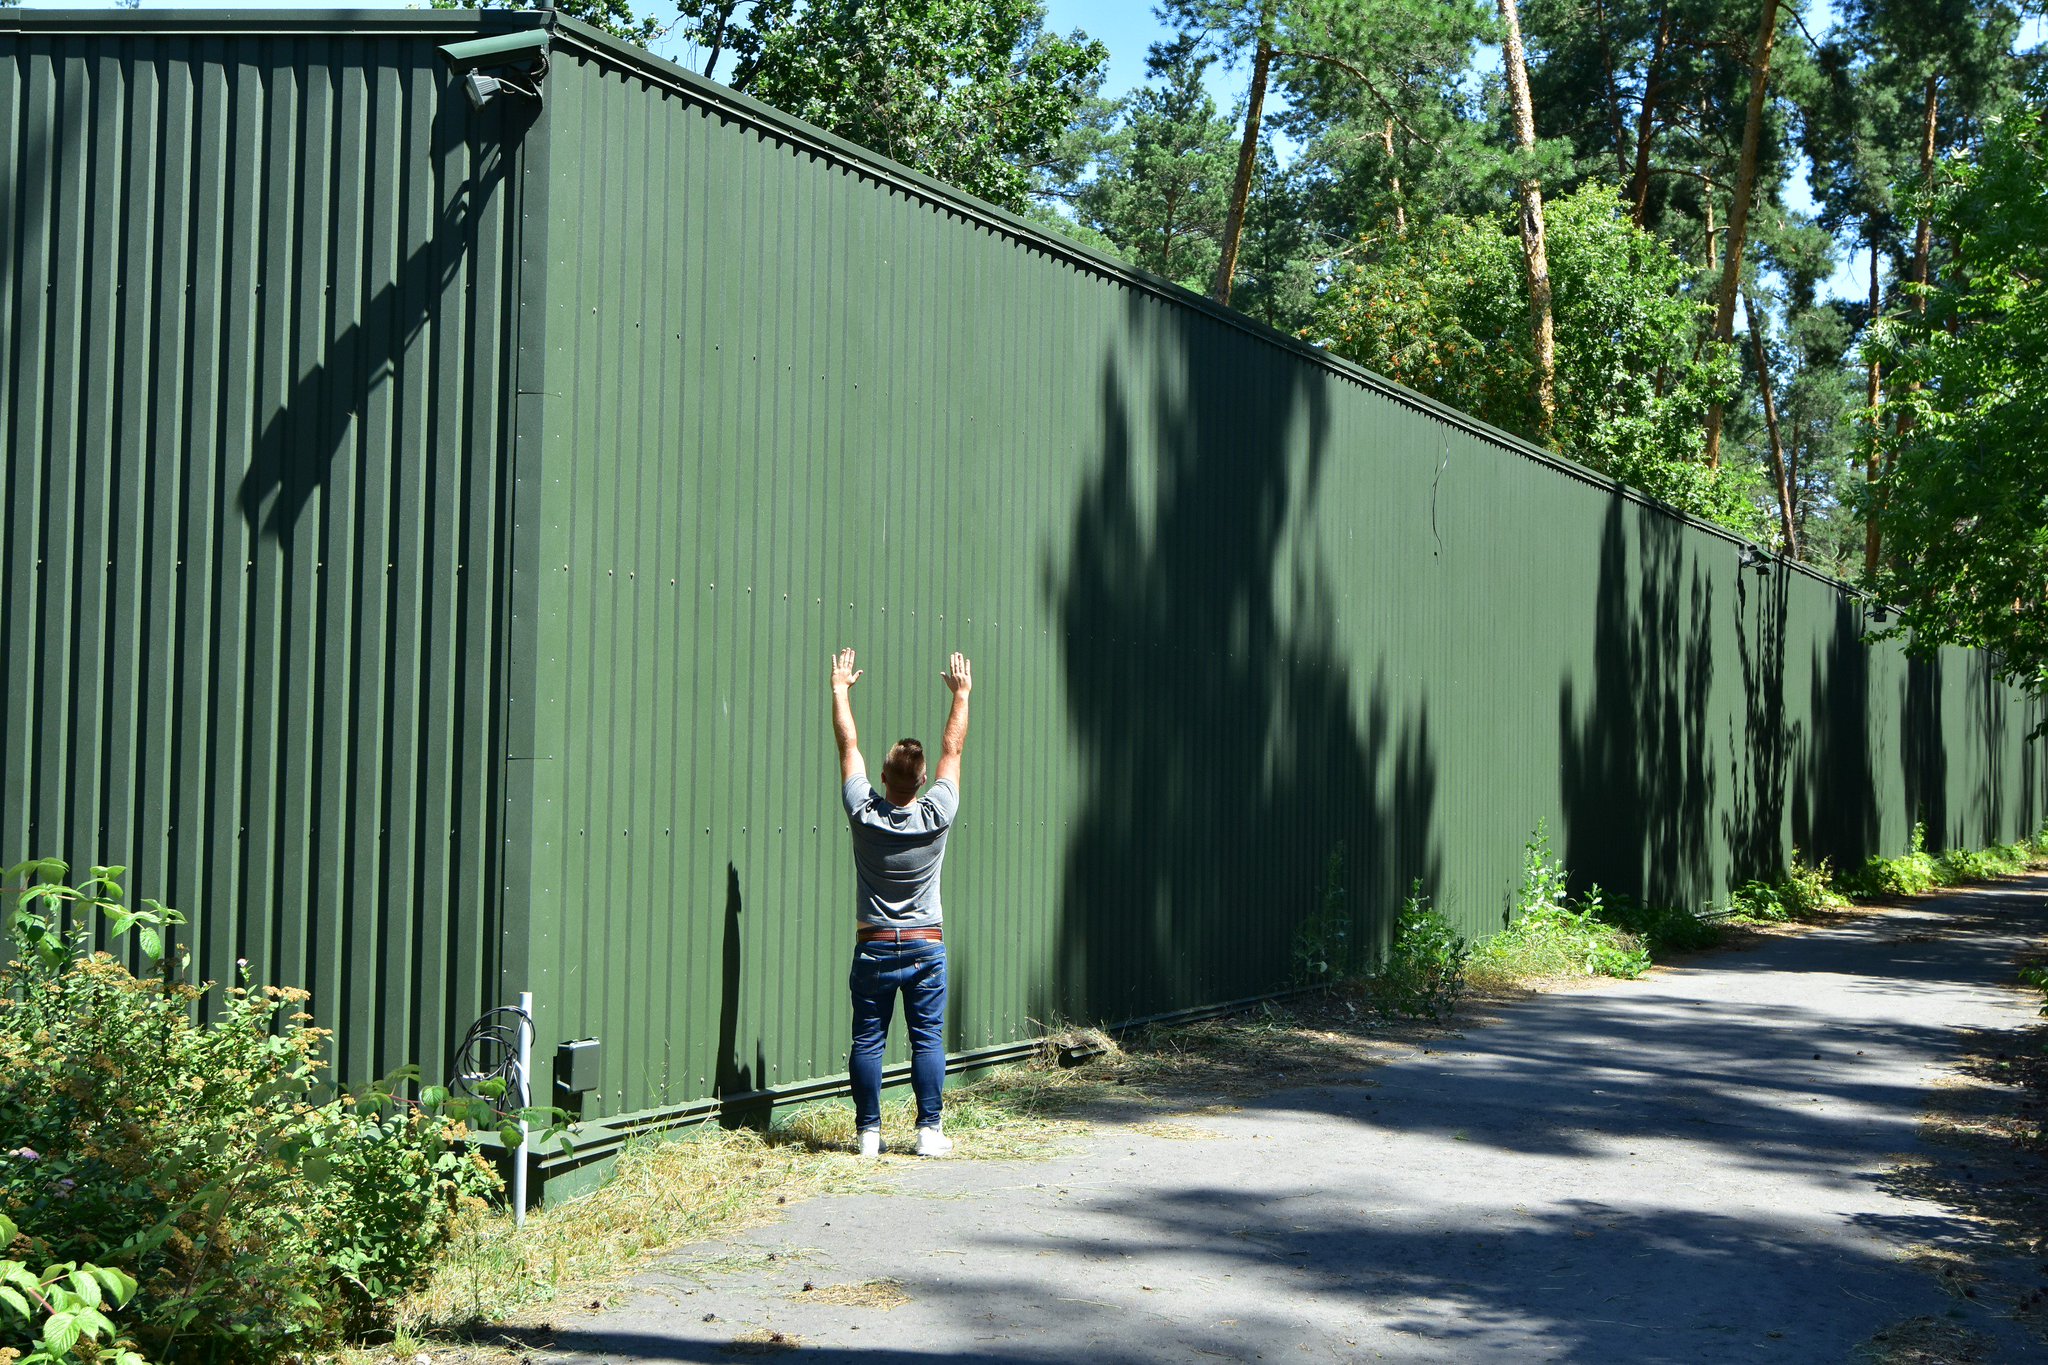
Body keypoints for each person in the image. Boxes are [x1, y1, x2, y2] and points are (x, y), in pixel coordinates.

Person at [830, 646, 972, 1157]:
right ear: (920, 781)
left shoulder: (862, 812)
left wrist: (841, 689)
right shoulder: (938, 814)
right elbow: (952, 752)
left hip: (873, 947)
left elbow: (848, 744)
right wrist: (961, 695)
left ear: (884, 778)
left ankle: (869, 1134)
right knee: (927, 1040)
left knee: (868, 1040)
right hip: (925, 946)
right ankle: (928, 1132)